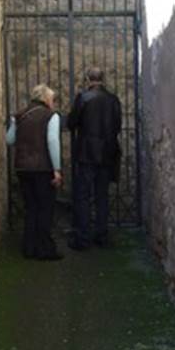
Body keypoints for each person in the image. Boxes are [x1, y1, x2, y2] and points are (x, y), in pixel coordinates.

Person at [6, 84, 63, 260]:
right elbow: (52, 141)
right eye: (52, 99)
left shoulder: (20, 114)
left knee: (31, 208)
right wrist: (57, 169)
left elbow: (9, 140)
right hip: (43, 169)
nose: (53, 103)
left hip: (22, 169)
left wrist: (14, 123)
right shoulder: (50, 116)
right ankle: (44, 250)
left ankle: (29, 248)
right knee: (45, 208)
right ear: (46, 99)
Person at [67, 67, 122, 250]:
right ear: (102, 79)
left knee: (83, 197)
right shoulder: (113, 100)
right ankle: (102, 236)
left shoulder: (83, 98)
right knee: (102, 196)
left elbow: (71, 122)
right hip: (107, 153)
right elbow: (118, 126)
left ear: (88, 79)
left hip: (86, 154)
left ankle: (82, 238)